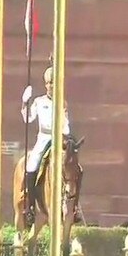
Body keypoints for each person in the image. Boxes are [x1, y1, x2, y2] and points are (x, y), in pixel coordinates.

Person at [21, 63, 82, 226]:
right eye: (49, 83)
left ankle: (74, 207)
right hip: (44, 138)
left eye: (53, 83)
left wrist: (66, 136)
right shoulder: (39, 102)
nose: (51, 86)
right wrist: (25, 103)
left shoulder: (62, 103)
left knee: (76, 169)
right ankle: (30, 206)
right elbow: (28, 118)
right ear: (45, 84)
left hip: (59, 138)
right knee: (32, 165)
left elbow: (66, 123)